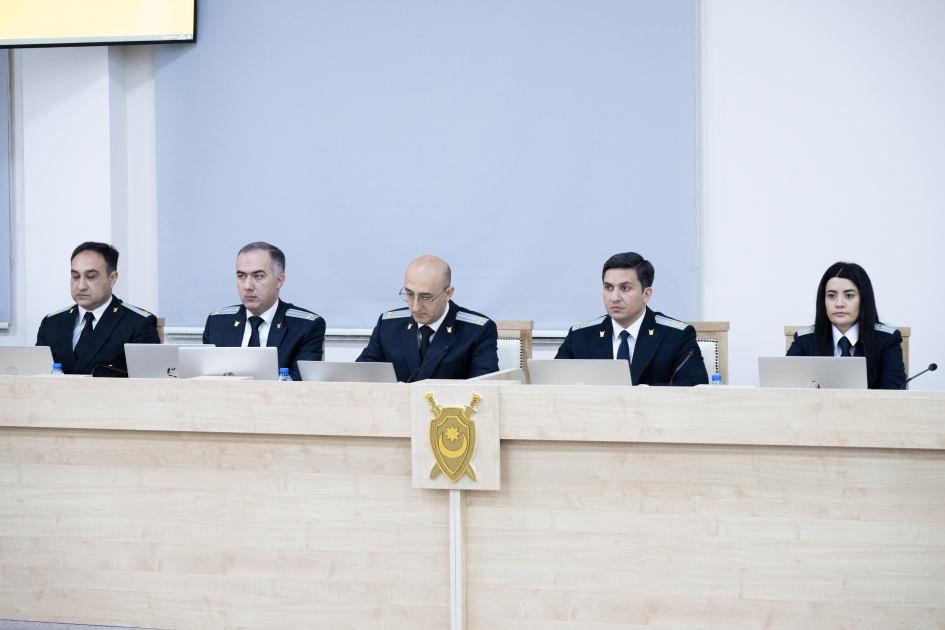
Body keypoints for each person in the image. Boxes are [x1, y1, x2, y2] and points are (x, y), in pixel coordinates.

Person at [555, 252, 709, 386]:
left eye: (625, 288)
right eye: (608, 287)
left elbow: (696, 384)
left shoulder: (677, 336)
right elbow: (551, 382)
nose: (614, 297)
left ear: (646, 294)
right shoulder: (580, 337)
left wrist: (643, 392)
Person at [357, 255, 499, 382]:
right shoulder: (388, 325)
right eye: (409, 294)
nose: (415, 308)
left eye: (425, 297)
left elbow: (484, 388)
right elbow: (359, 376)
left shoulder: (477, 331)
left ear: (448, 294)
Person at [202, 242, 325, 381]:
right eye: (241, 276)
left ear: (279, 281)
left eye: (258, 276)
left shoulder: (305, 327)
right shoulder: (217, 323)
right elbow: (205, 380)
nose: (247, 286)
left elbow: (299, 386)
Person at [36, 242, 160, 376]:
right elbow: (36, 377)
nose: (81, 286)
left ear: (112, 279)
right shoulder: (51, 323)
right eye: (75, 277)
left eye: (91, 277)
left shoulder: (137, 323)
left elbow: (146, 383)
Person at [787, 262, 906, 389]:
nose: (839, 304)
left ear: (864, 299)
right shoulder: (804, 341)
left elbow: (893, 391)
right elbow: (785, 387)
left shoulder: (886, 340)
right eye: (831, 296)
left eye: (849, 295)